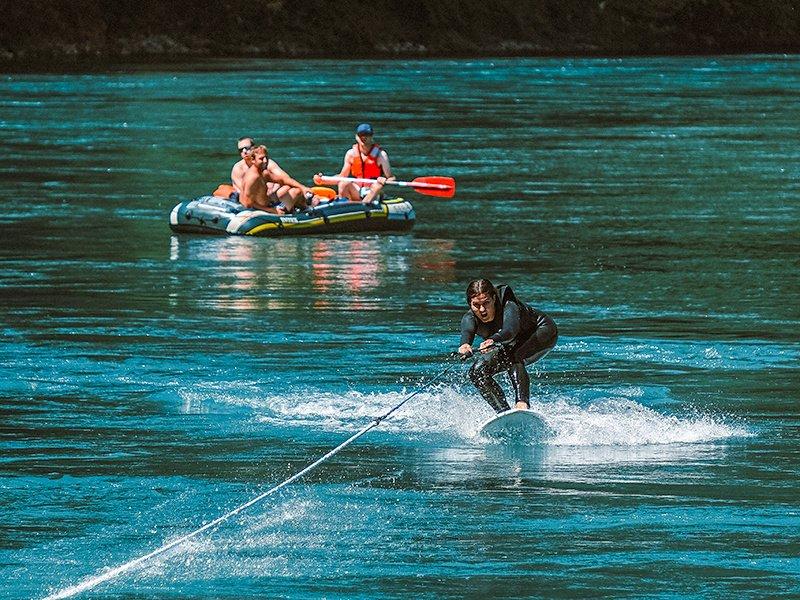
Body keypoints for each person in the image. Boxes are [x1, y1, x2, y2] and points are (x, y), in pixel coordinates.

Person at [457, 279, 558, 413]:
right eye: (476, 305)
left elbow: (510, 331)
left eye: (486, 303)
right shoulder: (469, 318)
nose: (482, 310)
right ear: (470, 304)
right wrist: (464, 346)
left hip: (541, 331)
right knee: (477, 372)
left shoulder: (509, 305)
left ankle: (522, 404)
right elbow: (467, 334)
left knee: (514, 355)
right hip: (510, 342)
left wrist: (492, 340)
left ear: (493, 298)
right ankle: (504, 412)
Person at [240, 145, 324, 214]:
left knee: (295, 190)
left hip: (269, 205)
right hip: (263, 210)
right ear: (253, 160)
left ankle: (305, 205)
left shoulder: (263, 173)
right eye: (261, 159)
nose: (265, 161)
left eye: (266, 158)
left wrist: (303, 188)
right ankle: (306, 207)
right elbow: (247, 203)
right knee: (296, 192)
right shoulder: (253, 178)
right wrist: (272, 210)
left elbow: (283, 180)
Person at [335, 123, 395, 204]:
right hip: (356, 190)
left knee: (377, 186)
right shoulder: (350, 154)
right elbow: (342, 177)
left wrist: (384, 180)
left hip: (372, 190)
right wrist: (322, 180)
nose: (364, 137)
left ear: (372, 136)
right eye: (361, 135)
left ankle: (363, 207)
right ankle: (344, 207)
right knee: (343, 183)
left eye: (367, 135)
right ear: (356, 137)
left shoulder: (381, 155)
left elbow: (391, 178)